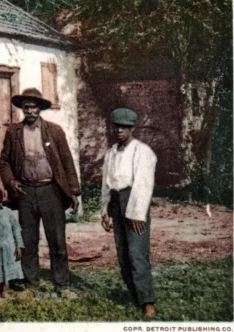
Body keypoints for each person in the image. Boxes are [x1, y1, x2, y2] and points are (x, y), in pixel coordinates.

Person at [0, 88, 81, 298]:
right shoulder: (13, 132)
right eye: (26, 107)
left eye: (34, 107)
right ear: (22, 109)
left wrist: (74, 191)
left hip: (50, 190)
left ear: (40, 109)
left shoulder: (54, 131)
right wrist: (10, 181)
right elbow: (4, 162)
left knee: (57, 240)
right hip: (26, 191)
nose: (30, 111)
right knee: (28, 240)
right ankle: (31, 284)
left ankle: (61, 284)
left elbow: (67, 161)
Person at [100, 108, 157, 318]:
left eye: (124, 127)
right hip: (116, 202)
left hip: (133, 202)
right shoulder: (111, 152)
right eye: (117, 127)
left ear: (133, 128)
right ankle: (136, 296)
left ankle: (148, 302)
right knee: (123, 254)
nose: (120, 131)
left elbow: (143, 184)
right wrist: (105, 210)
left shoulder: (142, 151)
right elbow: (106, 183)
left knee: (136, 254)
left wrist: (137, 214)